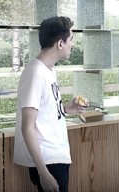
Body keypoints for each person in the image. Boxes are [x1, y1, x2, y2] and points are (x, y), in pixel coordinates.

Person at [14, 16, 86, 192]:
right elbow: (27, 128)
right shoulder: (35, 74)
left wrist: (66, 109)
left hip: (56, 157)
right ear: (60, 44)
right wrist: (43, 173)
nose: (73, 45)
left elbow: (43, 111)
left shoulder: (49, 70)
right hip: (48, 162)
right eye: (71, 40)